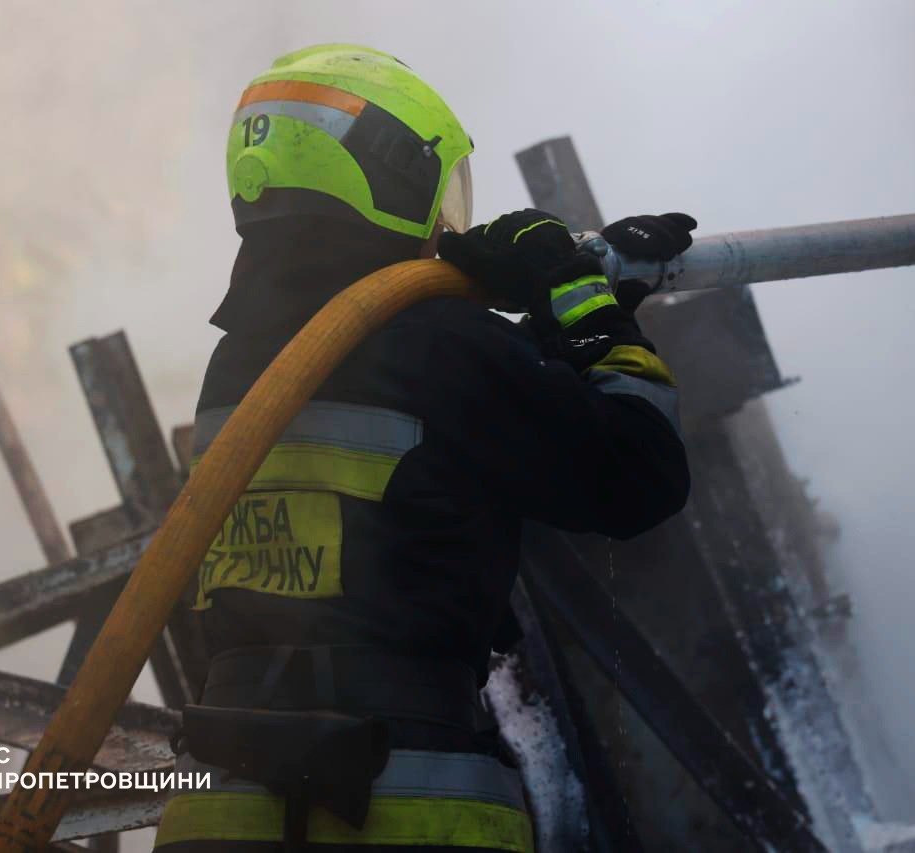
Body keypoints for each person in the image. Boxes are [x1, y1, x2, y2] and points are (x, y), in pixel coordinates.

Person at [154, 43, 694, 853]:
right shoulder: (441, 345)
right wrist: (582, 300)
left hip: (220, 816)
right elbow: (640, 471)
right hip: (404, 808)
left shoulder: (238, 367)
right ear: (391, 179)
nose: (447, 223)